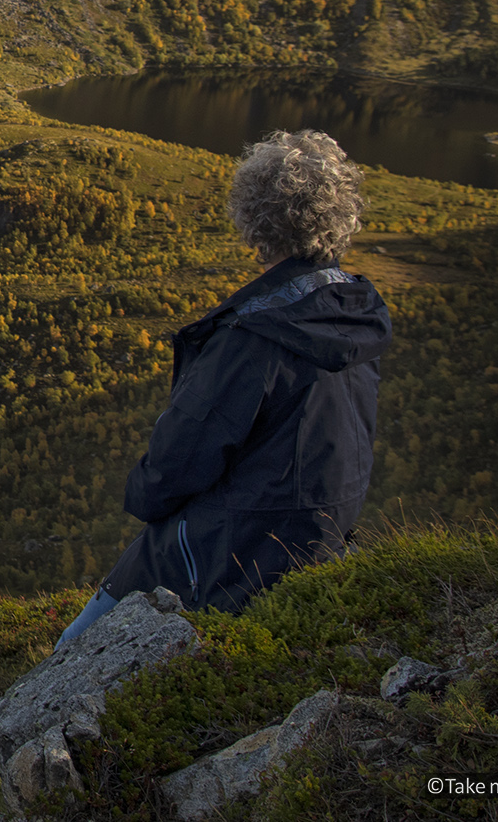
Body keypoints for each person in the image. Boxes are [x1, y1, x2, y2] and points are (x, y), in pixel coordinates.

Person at [57, 129, 391, 648]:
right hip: (318, 539)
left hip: (233, 548)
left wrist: (142, 493)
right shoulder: (354, 317)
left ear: (255, 220)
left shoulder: (253, 338)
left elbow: (179, 460)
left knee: (72, 649)